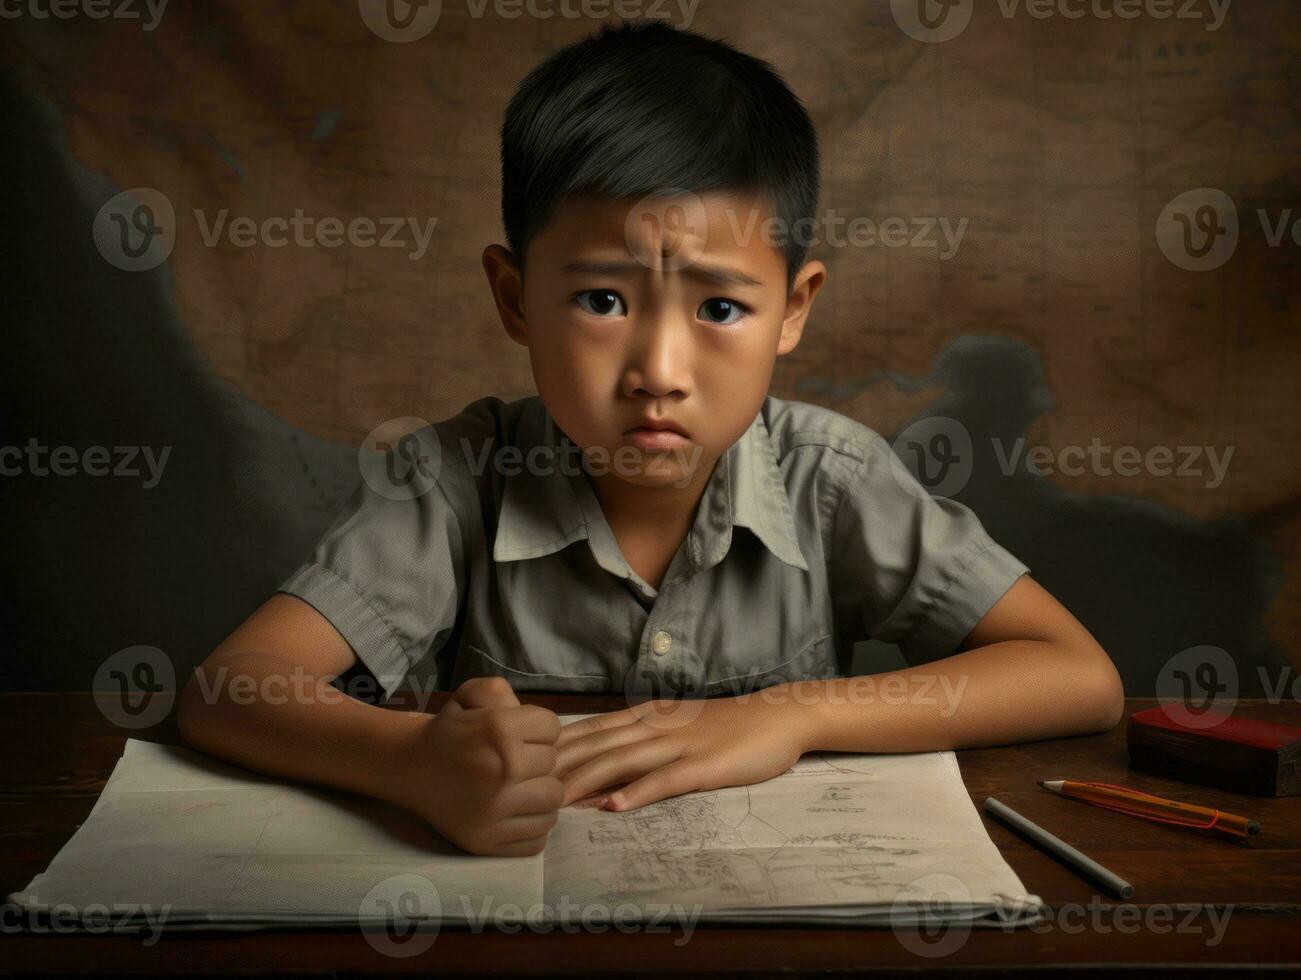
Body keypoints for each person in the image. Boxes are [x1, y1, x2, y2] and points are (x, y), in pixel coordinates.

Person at [178, 20, 1124, 857]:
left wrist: (792, 713)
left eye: (719, 305)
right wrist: (414, 761)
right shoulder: (456, 479)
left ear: (793, 310)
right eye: (601, 300)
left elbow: (1079, 677)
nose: (660, 368)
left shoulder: (830, 478)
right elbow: (227, 689)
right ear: (515, 298)